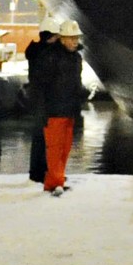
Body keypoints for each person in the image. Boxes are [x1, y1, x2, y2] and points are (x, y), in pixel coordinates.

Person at [40, 20, 86, 195]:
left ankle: (54, 181)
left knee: (64, 148)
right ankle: (57, 182)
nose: (75, 42)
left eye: (76, 38)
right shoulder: (51, 57)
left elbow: (76, 83)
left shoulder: (76, 58)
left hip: (69, 109)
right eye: (71, 38)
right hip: (54, 110)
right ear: (62, 38)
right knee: (55, 148)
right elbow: (43, 85)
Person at [25, 22, 58, 183]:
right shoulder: (47, 54)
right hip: (46, 100)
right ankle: (43, 172)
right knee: (46, 138)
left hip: (38, 99)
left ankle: (37, 172)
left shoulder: (35, 52)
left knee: (39, 137)